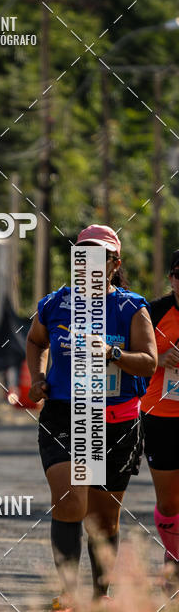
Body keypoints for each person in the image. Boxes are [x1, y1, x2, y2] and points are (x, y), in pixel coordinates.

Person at [26, 225, 157, 612]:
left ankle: (101, 599)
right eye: (82, 257)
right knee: (69, 500)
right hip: (65, 414)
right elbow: (35, 341)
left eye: (100, 258)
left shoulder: (131, 307)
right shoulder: (54, 304)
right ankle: (66, 597)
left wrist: (113, 352)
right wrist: (37, 376)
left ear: (115, 264)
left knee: (103, 520)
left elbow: (149, 362)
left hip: (115, 420)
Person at [141, 249, 179, 594]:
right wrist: (160, 359)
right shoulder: (154, 312)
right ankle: (172, 559)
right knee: (169, 502)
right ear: (171, 278)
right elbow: (133, 360)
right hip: (160, 415)